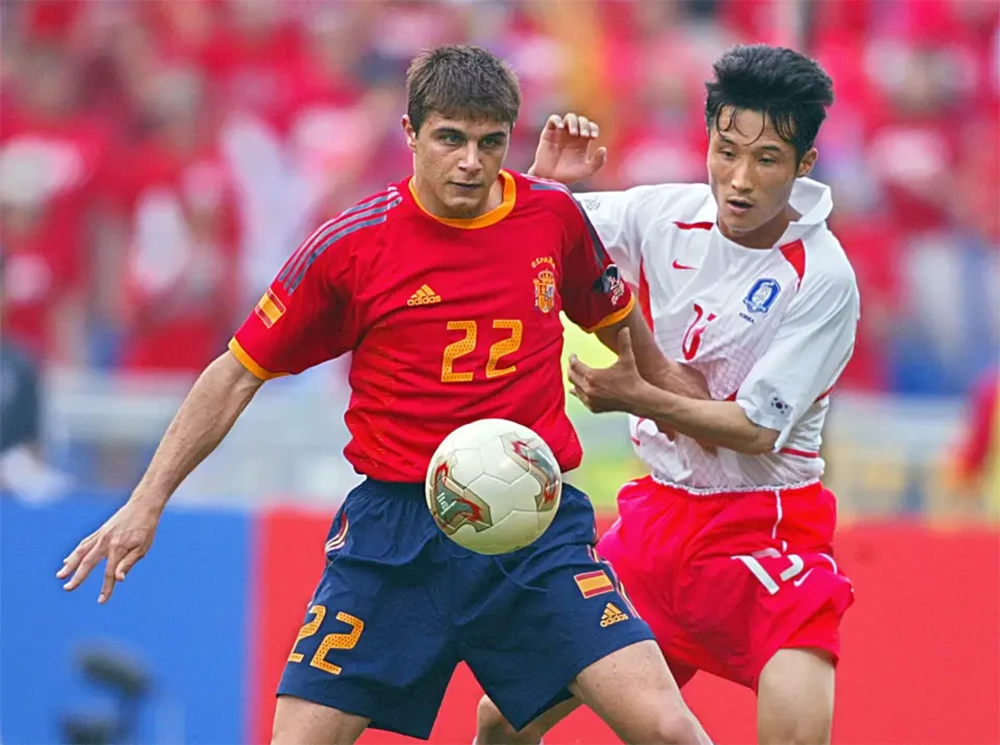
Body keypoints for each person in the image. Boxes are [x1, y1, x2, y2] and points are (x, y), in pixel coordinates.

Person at [55, 45, 712, 745]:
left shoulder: (551, 216)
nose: (471, 161)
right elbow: (235, 371)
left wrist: (674, 399)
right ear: (410, 134)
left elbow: (620, 323)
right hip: (395, 534)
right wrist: (146, 501)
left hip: (535, 526)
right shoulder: (352, 246)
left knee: (671, 730)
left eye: (490, 143)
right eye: (450, 139)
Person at [478, 44, 859, 745]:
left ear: (804, 164)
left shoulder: (824, 277)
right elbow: (530, 234)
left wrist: (636, 394)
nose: (739, 179)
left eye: (768, 159)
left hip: (765, 533)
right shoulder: (664, 214)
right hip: (654, 527)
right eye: (726, 150)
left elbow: (751, 429)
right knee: (500, 718)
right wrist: (542, 185)